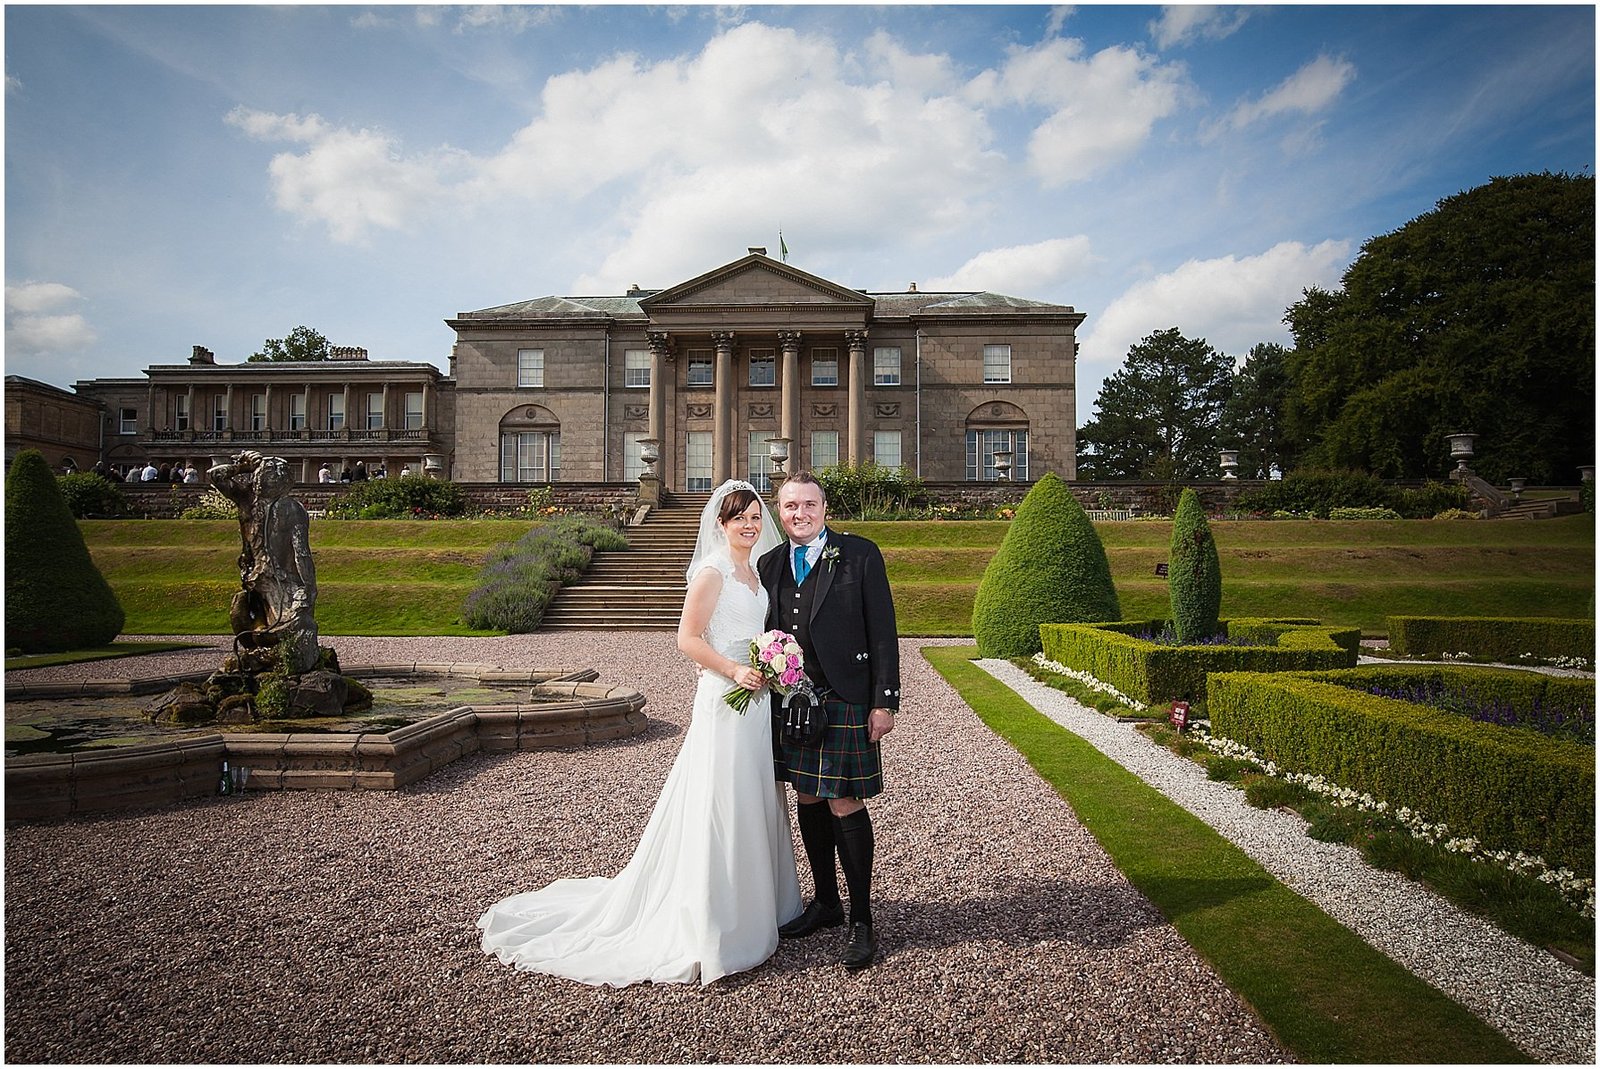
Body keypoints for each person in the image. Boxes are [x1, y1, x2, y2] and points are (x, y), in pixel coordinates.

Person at [478, 480, 802, 986]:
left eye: (756, 516)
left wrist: (772, 663)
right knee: (722, 799)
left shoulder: (757, 573)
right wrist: (735, 671)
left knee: (756, 796)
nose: (749, 525)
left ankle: (760, 907)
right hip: (726, 698)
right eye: (739, 517)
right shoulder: (712, 572)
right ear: (720, 523)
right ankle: (714, 922)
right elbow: (687, 639)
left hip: (757, 701)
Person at [757, 469, 899, 971]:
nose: (801, 513)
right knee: (808, 795)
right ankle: (826, 904)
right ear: (780, 510)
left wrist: (884, 701)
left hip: (845, 698)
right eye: (791, 505)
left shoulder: (860, 554)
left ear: (825, 509)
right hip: (792, 701)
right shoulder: (769, 563)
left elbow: (883, 630)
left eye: (809, 505)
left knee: (844, 800)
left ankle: (862, 918)